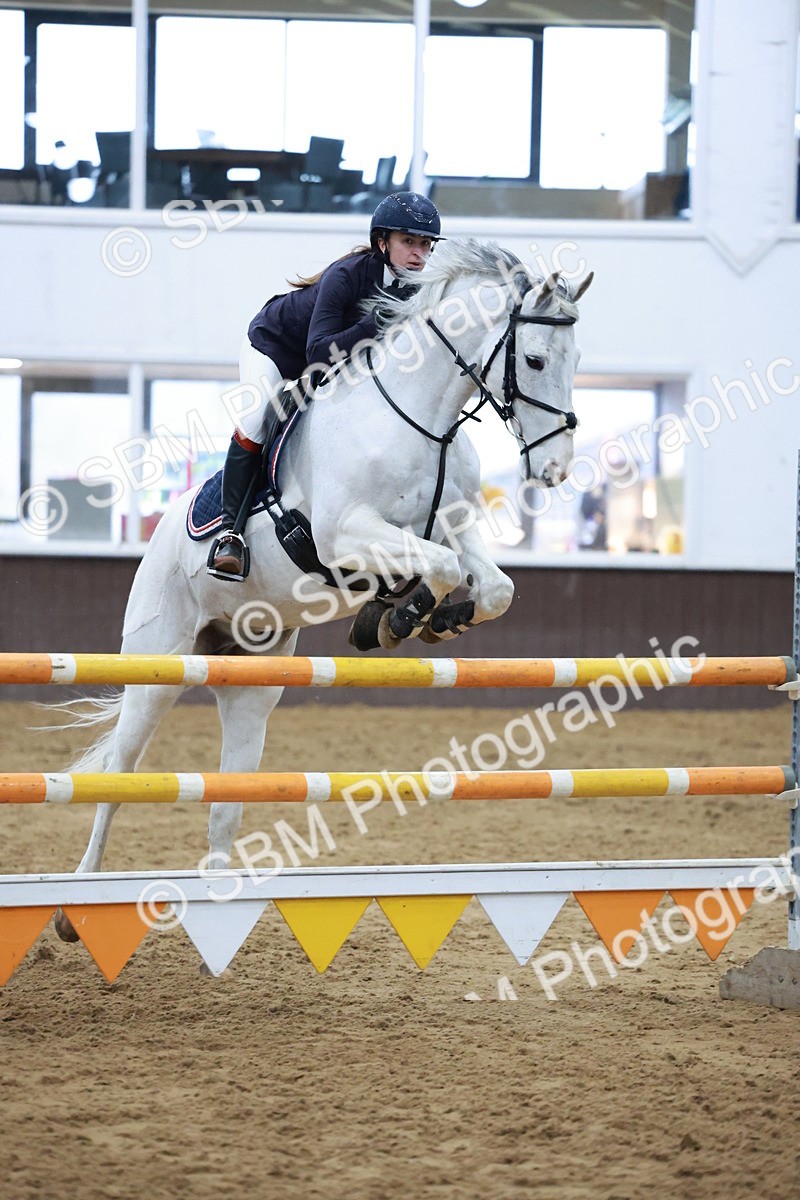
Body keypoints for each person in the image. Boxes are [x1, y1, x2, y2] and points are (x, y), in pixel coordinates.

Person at [207, 191, 443, 580]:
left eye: (425, 245)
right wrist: (376, 322)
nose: (418, 254)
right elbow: (317, 352)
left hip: (330, 367)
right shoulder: (347, 275)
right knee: (255, 419)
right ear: (382, 243)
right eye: (408, 242)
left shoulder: (417, 289)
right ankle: (229, 535)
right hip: (275, 349)